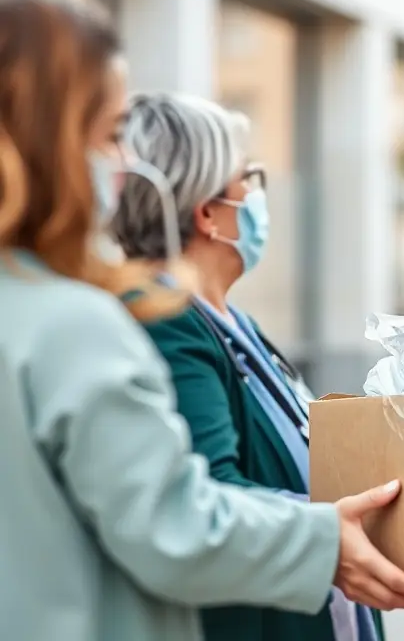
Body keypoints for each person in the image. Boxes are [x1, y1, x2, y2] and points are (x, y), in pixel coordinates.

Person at [0, 0, 404, 641]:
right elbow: (177, 523)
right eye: (110, 135)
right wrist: (325, 542)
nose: (125, 166)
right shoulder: (82, 326)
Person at [108, 91, 385, 641]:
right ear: (207, 213)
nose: (259, 195)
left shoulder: (231, 321)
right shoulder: (168, 325)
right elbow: (214, 499)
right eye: (249, 178)